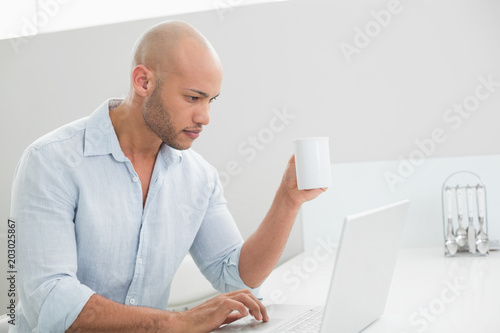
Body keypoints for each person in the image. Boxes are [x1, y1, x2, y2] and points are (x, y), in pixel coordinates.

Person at [10, 21, 326, 332]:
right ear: (143, 82)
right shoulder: (51, 161)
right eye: (192, 98)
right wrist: (176, 322)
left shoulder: (199, 177)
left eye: (210, 100)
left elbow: (235, 276)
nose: (205, 117)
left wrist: (287, 201)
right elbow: (51, 299)